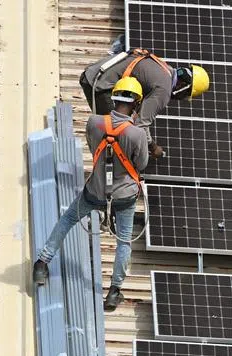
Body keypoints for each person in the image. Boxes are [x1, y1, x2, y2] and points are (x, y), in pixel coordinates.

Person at [33, 77, 149, 312]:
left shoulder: (94, 122)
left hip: (95, 191)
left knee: (68, 219)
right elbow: (142, 164)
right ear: (136, 104)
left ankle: (42, 263)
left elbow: (91, 145)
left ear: (113, 98)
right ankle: (114, 291)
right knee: (123, 240)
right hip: (123, 197)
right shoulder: (137, 135)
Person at [80, 48, 209, 157]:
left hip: (95, 74)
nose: (182, 99)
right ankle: (106, 178)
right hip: (99, 85)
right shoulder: (164, 89)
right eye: (186, 95)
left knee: (122, 130)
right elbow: (140, 124)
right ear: (183, 85)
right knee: (115, 138)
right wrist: (153, 147)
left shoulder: (165, 69)